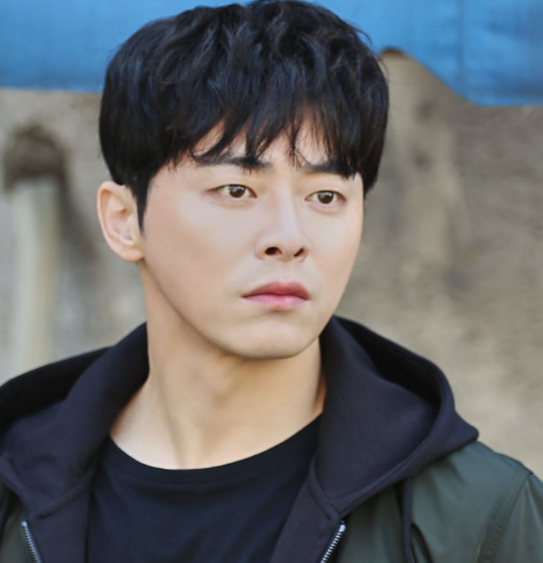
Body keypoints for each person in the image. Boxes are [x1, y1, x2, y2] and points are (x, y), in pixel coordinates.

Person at [1, 1, 542, 561]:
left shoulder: (481, 518)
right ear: (123, 221)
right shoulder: (15, 489)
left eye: (325, 196)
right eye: (237, 190)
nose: (289, 237)